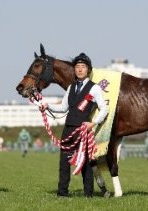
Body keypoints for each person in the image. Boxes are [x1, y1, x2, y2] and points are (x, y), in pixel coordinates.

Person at [40, 53, 107, 197]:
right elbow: (63, 107)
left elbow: (104, 109)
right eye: (77, 66)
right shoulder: (71, 87)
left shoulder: (94, 88)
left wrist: (93, 123)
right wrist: (47, 106)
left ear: (88, 70)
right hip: (68, 128)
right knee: (63, 163)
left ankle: (88, 194)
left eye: (83, 66)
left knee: (86, 164)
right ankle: (62, 193)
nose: (80, 69)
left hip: (83, 130)